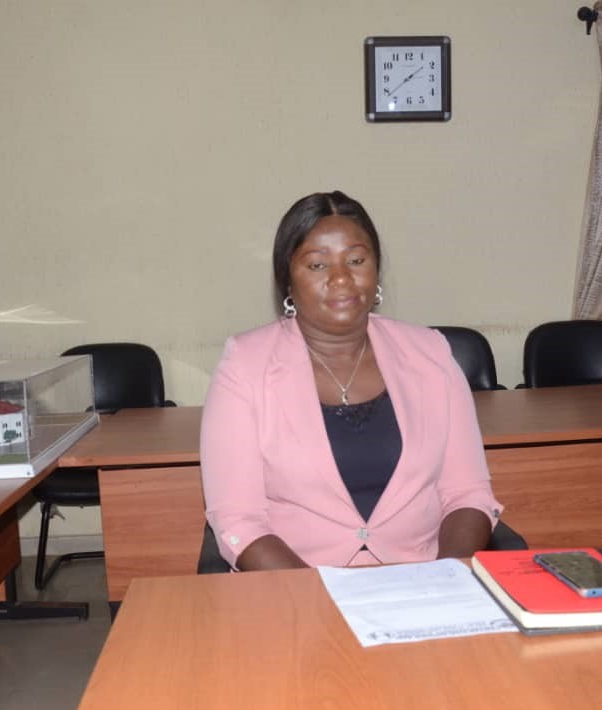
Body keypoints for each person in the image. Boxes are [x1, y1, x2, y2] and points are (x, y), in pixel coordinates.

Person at [200, 190, 502, 571]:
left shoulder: (431, 354)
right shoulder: (245, 365)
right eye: (317, 266)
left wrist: (444, 580)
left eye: (356, 260)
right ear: (287, 282)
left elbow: (467, 494)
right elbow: (238, 519)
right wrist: (320, 600)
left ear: (376, 272)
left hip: (419, 580)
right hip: (295, 591)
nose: (342, 278)